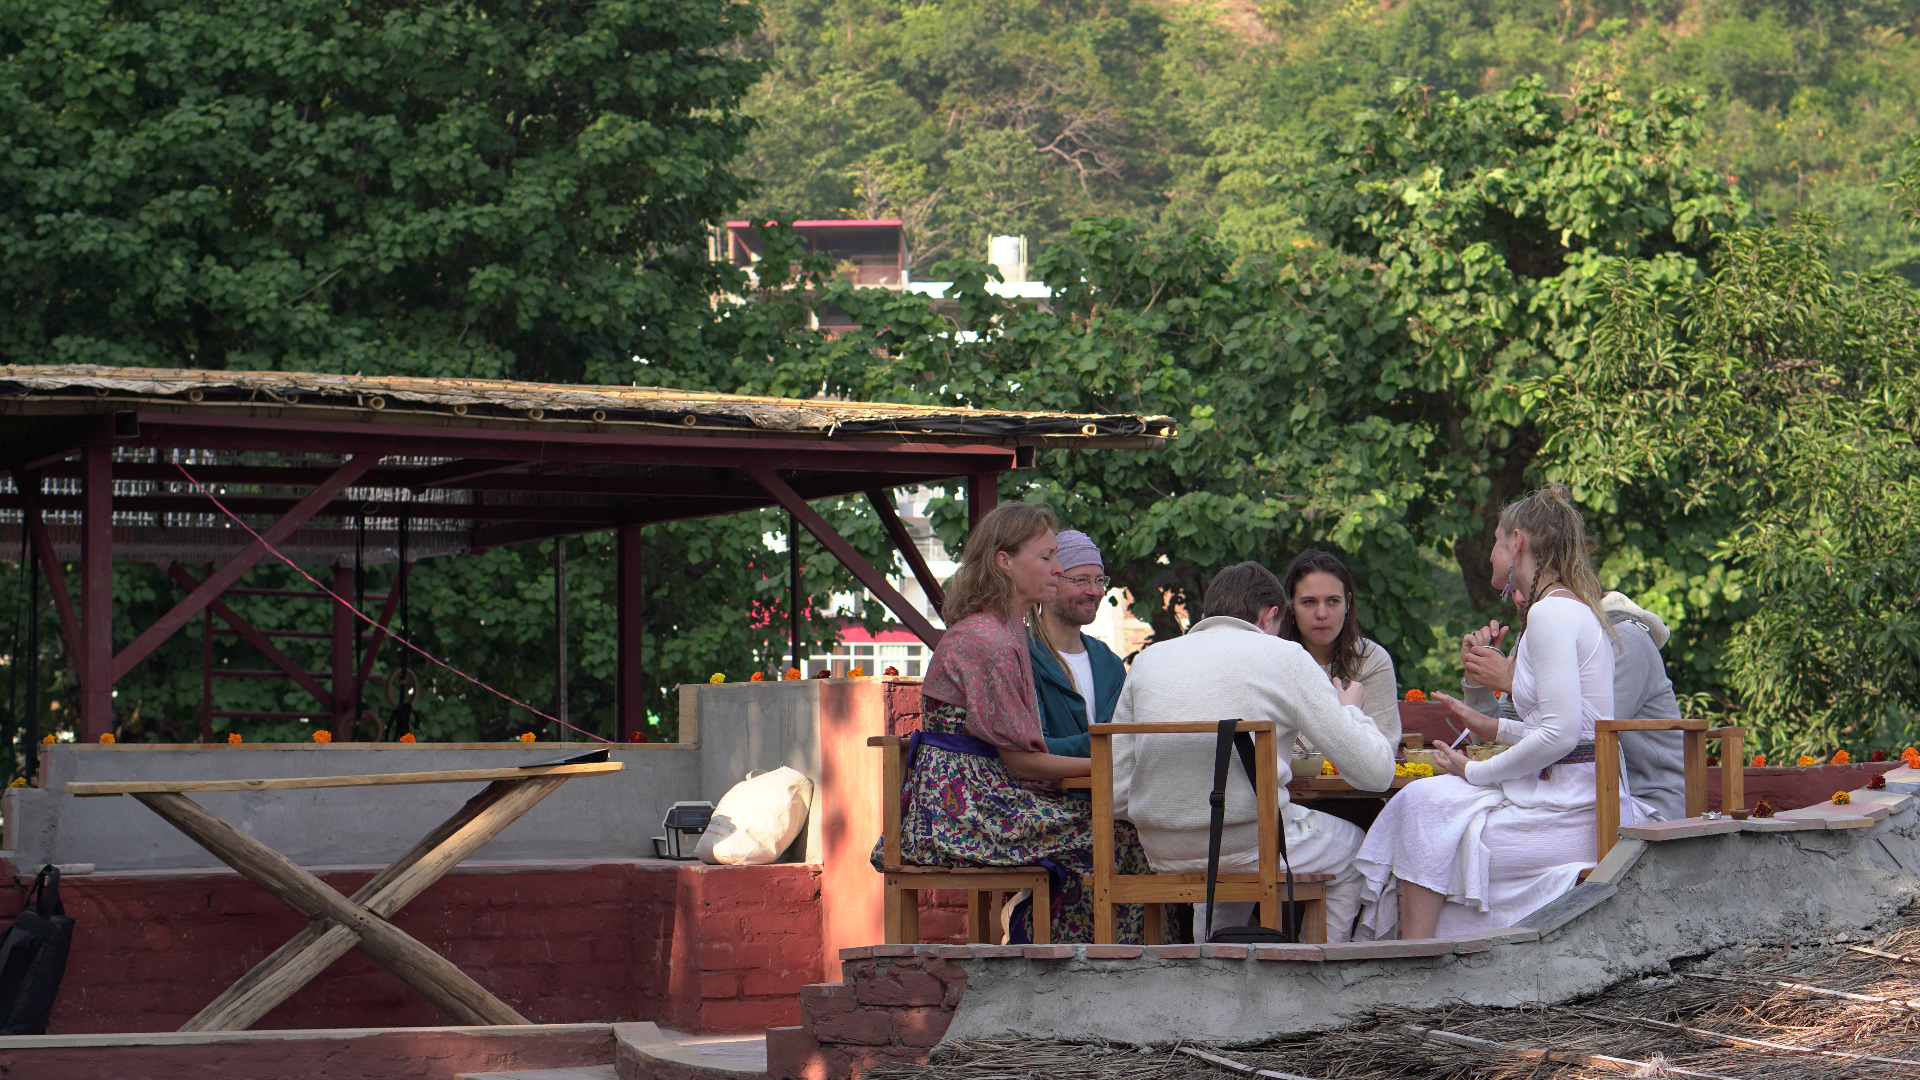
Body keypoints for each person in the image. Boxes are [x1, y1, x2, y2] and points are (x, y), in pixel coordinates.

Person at [1355, 483, 1628, 939]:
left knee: (1422, 807)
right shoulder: (1566, 608)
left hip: (1575, 813)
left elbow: (1562, 737)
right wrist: (1495, 727)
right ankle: (1417, 949)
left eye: (1496, 542)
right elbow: (1571, 730)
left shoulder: (1550, 615)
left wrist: (1475, 771)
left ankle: (1413, 953)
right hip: (1575, 800)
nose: (1489, 555)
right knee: (1424, 801)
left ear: (1516, 542)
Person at [872, 502, 1155, 943]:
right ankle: (1074, 961)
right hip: (962, 811)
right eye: (1046, 557)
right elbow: (1021, 762)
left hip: (979, 794)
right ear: (1004, 561)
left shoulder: (1004, 630)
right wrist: (1110, 765)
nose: (1057, 569)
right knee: (1120, 836)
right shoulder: (990, 639)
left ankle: (1070, 954)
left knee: (1121, 828)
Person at [1110, 561, 1395, 942]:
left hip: (1161, 848)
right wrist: (1352, 711)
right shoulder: (1285, 656)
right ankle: (1319, 966)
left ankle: (1214, 965)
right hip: (1250, 843)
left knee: (1228, 853)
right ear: (1269, 615)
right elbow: (1375, 774)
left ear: (1210, 613)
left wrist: (1178, 816)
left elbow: (1116, 793)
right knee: (1358, 851)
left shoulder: (1148, 660)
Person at [1455, 592, 1686, 820]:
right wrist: (1477, 677)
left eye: (1525, 582)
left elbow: (1583, 739)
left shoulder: (1625, 638)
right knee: (1448, 800)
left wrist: (1514, 682)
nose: (1517, 598)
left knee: (1481, 826)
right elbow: (1497, 742)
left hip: (1644, 801)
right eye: (1511, 588)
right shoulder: (1533, 636)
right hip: (1561, 793)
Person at [1278, 550, 1401, 747]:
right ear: (1291, 606)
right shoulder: (1273, 659)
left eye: (1333, 601)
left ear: (1347, 603)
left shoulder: (1371, 660)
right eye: (1309, 602)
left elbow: (1383, 751)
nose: (1321, 613)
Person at [1028, 530, 1127, 758]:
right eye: (1080, 580)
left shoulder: (1109, 661)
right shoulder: (1024, 654)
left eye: (1099, 580)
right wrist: (1111, 740)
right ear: (1051, 581)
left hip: (1110, 783)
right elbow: (1034, 748)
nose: (1094, 591)